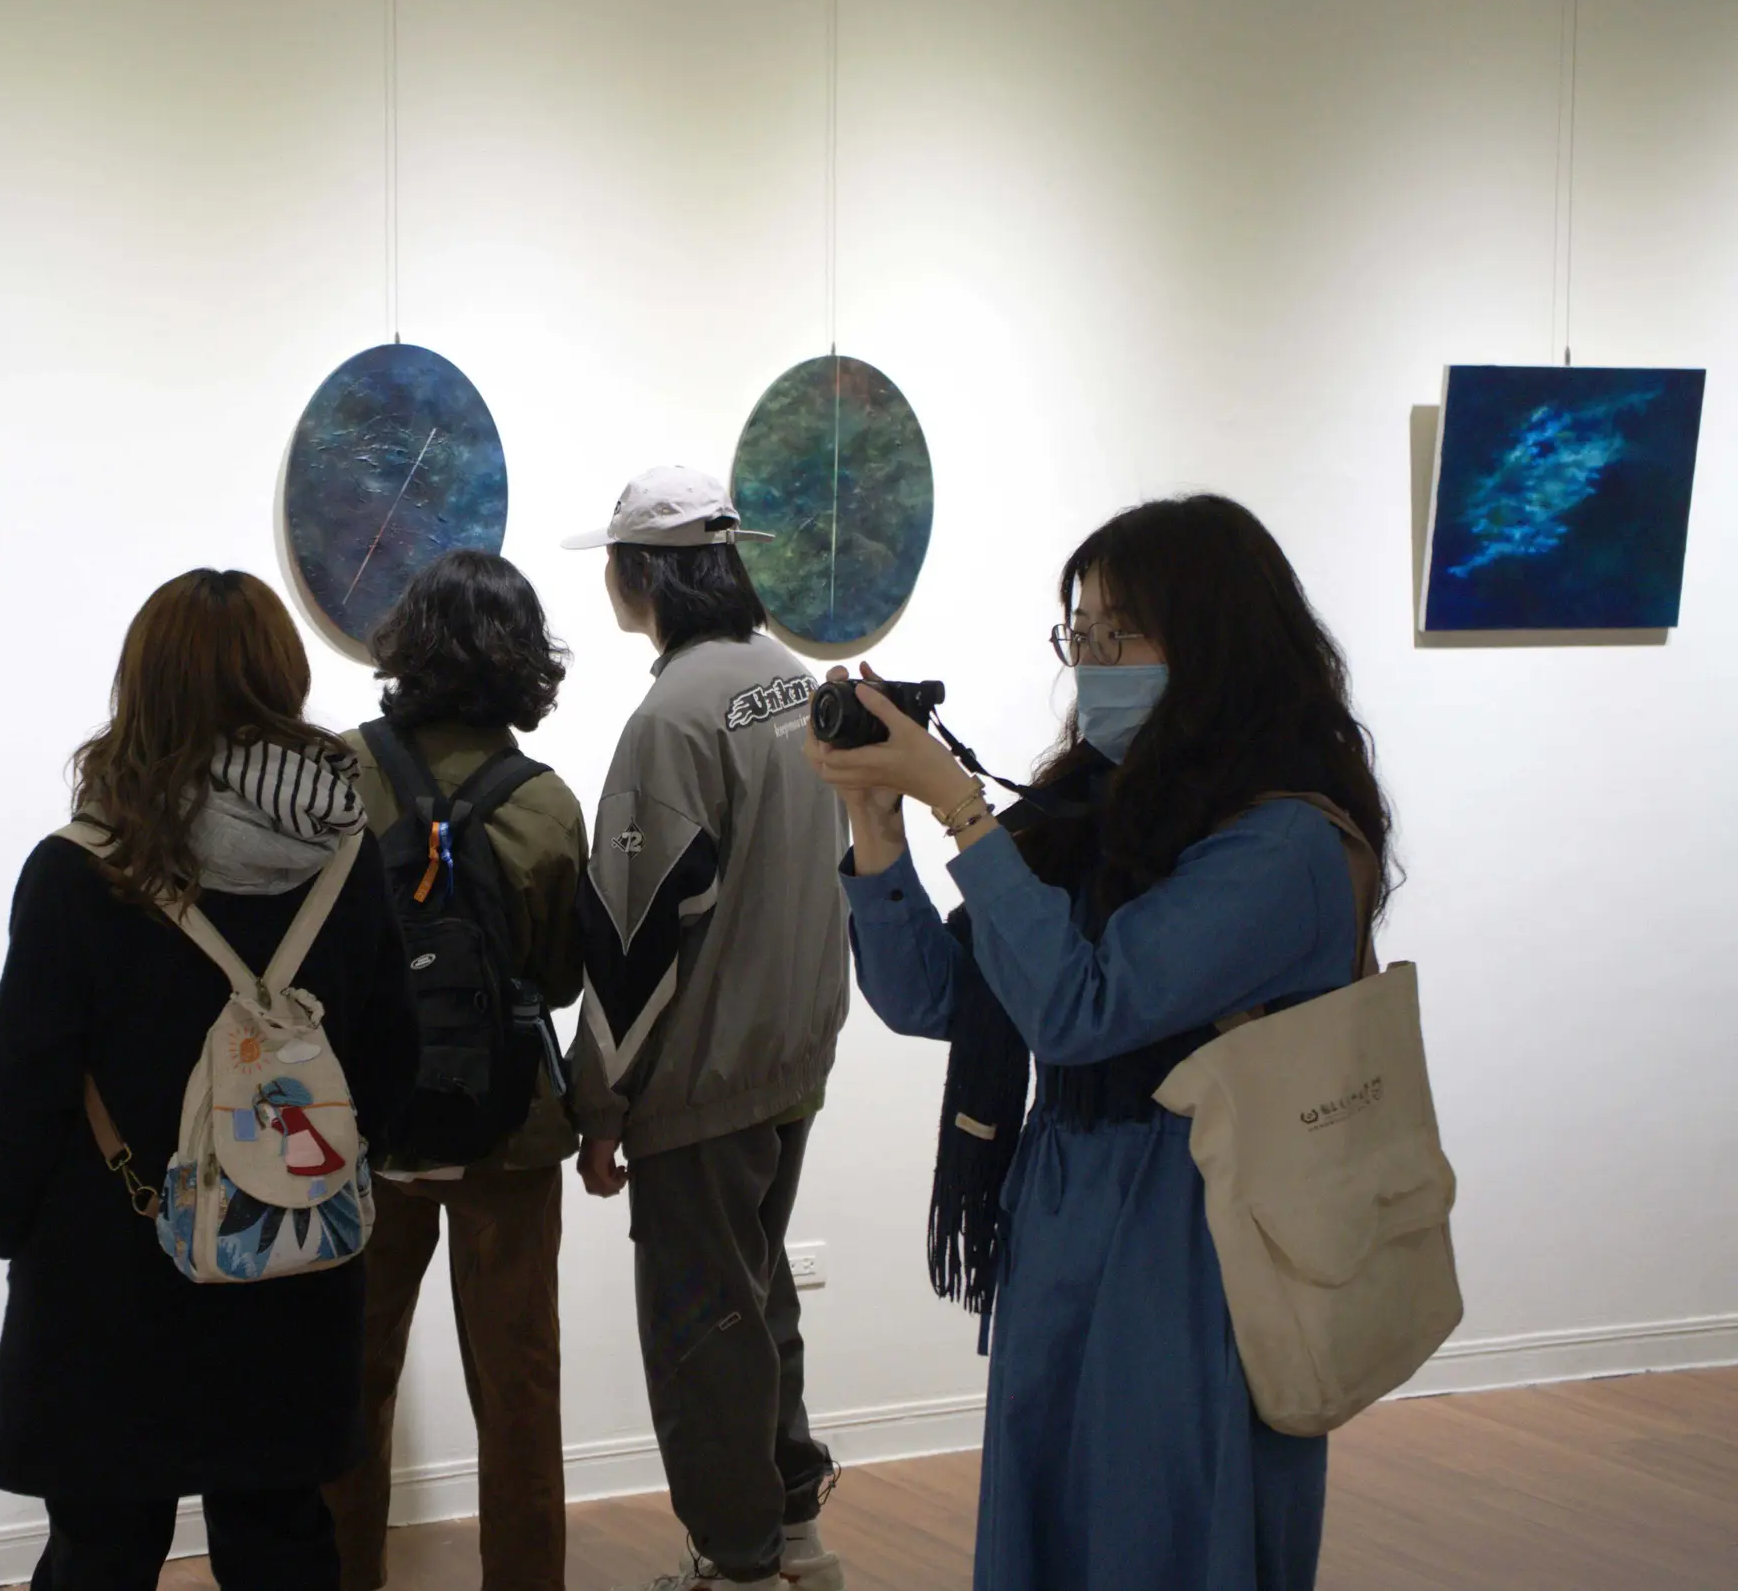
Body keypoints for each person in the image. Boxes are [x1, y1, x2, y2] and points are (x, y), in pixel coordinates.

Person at [807, 494, 1390, 1591]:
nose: (1093, 661)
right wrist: (876, 823)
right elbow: (932, 996)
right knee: (1052, 1518)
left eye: (1123, 632)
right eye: (1080, 631)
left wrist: (960, 810)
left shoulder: (1285, 845)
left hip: (1200, 1218)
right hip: (1063, 1195)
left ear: (1216, 640)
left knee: (1161, 1524)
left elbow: (1084, 1009)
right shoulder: (1089, 812)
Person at [0, 568, 419, 1591]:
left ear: (142, 686)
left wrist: (5, 1215)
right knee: (283, 1537)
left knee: (101, 1547)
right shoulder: (344, 860)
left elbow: (24, 1079)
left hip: (108, 1259)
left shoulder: (80, 868)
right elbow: (391, 1054)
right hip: (291, 1253)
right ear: (284, 679)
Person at [563, 469, 851, 1591]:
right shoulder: (789, 683)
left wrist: (599, 1104)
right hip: (791, 1062)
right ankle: (793, 1536)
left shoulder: (672, 720)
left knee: (701, 1335)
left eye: (612, 559)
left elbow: (635, 943)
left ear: (641, 573)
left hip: (704, 1080)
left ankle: (737, 1564)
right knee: (756, 1300)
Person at [321, 549, 588, 1591]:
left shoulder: (338, 772)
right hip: (506, 1131)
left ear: (408, 644)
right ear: (525, 662)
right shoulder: (546, 803)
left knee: (351, 1381)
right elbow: (557, 978)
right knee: (519, 1390)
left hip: (359, 1126)